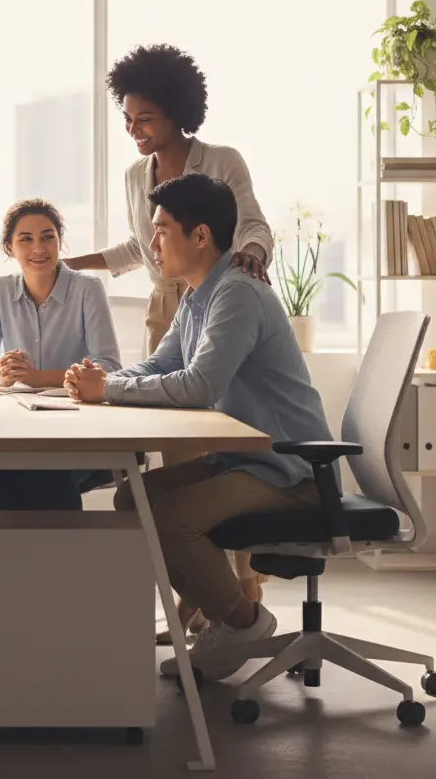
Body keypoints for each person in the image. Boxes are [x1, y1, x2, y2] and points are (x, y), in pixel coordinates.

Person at [64, 175, 333, 683]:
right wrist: (102, 381)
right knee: (132, 499)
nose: (152, 243)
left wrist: (109, 390)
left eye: (162, 230)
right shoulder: (196, 297)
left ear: (201, 236)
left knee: (173, 518)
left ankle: (244, 621)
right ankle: (207, 606)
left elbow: (199, 385)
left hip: (291, 469)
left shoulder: (236, 294)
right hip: (245, 461)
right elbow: (158, 366)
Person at [63, 42, 276, 642]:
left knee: (229, 448)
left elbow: (252, 224)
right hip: (171, 303)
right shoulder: (138, 176)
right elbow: (139, 248)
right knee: (180, 454)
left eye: (144, 118)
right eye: (127, 119)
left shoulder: (221, 160)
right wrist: (63, 264)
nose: (134, 130)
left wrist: (251, 257)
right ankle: (201, 598)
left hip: (223, 292)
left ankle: (242, 590)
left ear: (178, 111)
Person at [0, 198, 122, 510]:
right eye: (26, 239)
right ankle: (28, 555)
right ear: (9, 247)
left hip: (81, 426)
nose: (39, 248)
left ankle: (57, 556)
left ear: (59, 241)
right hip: (22, 426)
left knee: (46, 473)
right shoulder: (0, 290)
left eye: (48, 237)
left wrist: (37, 377)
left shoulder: (87, 288)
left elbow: (110, 367)